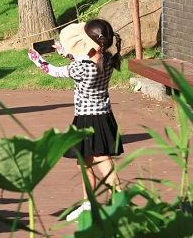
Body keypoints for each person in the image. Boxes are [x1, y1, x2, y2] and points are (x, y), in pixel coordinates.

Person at [27, 19, 123, 222]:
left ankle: (120, 201)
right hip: (104, 116)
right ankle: (95, 203)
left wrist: (37, 59)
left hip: (88, 119)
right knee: (87, 162)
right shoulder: (108, 59)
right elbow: (84, 58)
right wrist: (65, 52)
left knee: (98, 160)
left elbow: (54, 71)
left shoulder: (81, 69)